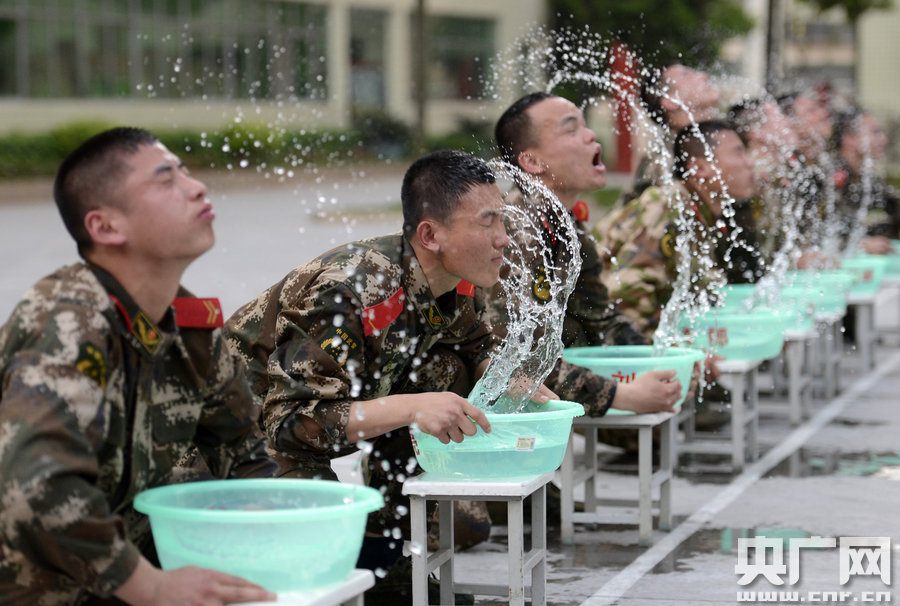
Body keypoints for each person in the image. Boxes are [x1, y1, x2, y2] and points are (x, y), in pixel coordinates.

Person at [224, 150, 553, 604]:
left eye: (504, 221)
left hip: (328, 409)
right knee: (327, 552)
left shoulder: (452, 280)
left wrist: (508, 379)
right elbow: (291, 423)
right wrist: (414, 407)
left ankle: (388, 539)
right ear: (430, 234)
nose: (504, 239)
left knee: (465, 522)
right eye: (488, 222)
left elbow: (473, 345)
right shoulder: (350, 289)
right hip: (243, 433)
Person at [0, 127, 278, 605]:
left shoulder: (188, 325)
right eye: (166, 178)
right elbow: (37, 485)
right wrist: (151, 587)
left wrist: (279, 540)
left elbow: (243, 450)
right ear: (106, 228)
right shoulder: (68, 320)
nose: (196, 187)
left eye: (186, 171)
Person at [492, 92, 683, 420]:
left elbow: (600, 315)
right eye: (571, 130)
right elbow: (516, 359)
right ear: (532, 162)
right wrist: (623, 395)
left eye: (586, 126)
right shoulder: (514, 234)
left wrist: (661, 364)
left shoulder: (565, 225)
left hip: (556, 388)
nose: (591, 135)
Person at [596, 120, 758, 338]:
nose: (750, 163)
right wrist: (669, 352)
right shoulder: (669, 205)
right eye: (738, 153)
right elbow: (627, 293)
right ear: (699, 168)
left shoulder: (698, 212)